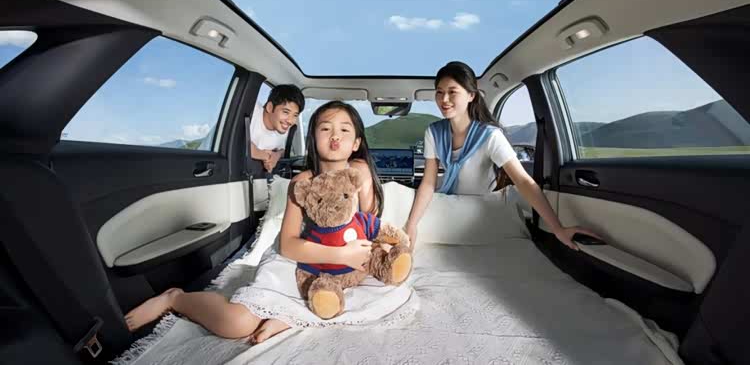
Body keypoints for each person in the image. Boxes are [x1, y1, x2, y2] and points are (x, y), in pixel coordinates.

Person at [124, 101, 385, 344]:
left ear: (356, 143)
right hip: (299, 261)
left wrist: (354, 256)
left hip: (346, 267)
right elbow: (289, 245)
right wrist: (339, 254)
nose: (335, 136)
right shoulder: (302, 182)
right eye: (325, 129)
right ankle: (176, 298)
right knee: (236, 324)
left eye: (344, 130)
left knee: (376, 293)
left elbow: (371, 230)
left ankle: (289, 317)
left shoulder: (361, 174)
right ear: (313, 139)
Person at [404, 61, 599, 250]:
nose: (444, 99)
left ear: (471, 95)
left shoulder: (490, 136)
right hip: (448, 204)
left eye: (452, 92)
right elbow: (428, 183)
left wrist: (557, 228)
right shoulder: (433, 132)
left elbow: (523, 181)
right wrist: (411, 225)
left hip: (480, 209)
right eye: (439, 92)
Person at [250, 84, 304, 172]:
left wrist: (276, 155)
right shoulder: (251, 110)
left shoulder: (282, 128)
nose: (290, 121)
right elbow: (237, 141)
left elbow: (282, 149)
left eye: (295, 115)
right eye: (286, 112)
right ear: (270, 107)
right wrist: (265, 156)